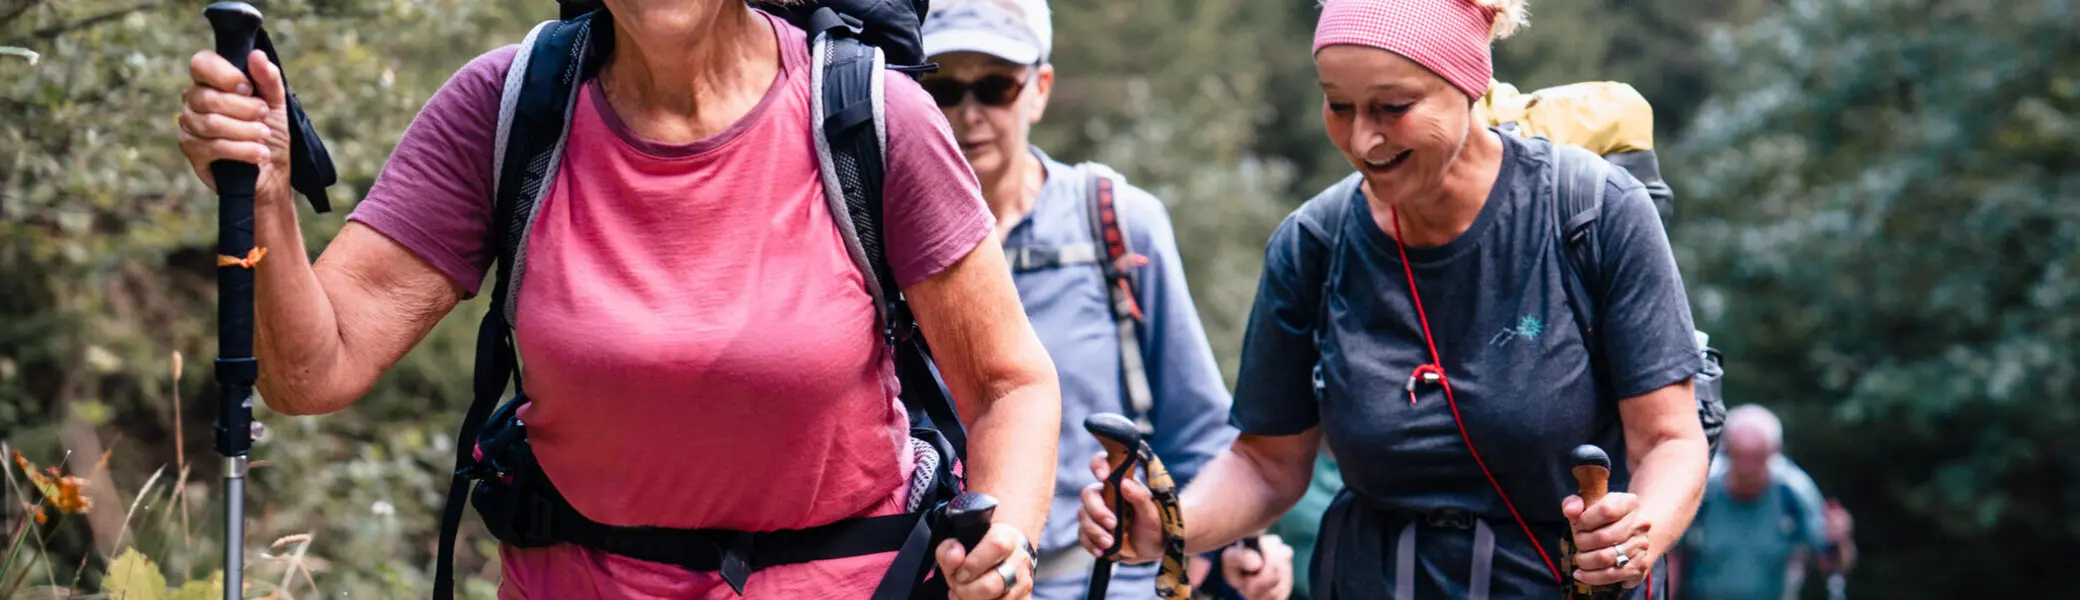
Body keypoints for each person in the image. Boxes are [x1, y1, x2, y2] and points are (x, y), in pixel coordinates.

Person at [173, 0, 1064, 598]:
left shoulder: (868, 114)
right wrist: (267, 197)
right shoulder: (510, 108)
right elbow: (312, 370)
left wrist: (1005, 545)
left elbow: (1009, 383)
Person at [1074, 0, 1714, 598]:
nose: (1362, 141)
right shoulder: (1314, 244)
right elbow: (1267, 465)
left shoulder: (1592, 213)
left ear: (1467, 83)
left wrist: (1637, 534)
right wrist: (1168, 526)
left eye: (1393, 107)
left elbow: (1669, 440)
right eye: (1338, 106)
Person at [915, 1, 1293, 598]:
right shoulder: (883, 241)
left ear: (1039, 90)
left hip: (1103, 581)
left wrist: (1240, 541)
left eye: (995, 86)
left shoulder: (1116, 223)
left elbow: (1198, 429)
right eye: (944, 88)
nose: (969, 114)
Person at [1670, 405, 1856, 600]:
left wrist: (1840, 540)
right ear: (1726, 451)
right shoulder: (1703, 488)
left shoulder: (1794, 491)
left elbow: (1832, 564)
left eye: (1756, 457)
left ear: (1775, 453)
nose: (1747, 468)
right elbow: (1672, 553)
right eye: (1739, 455)